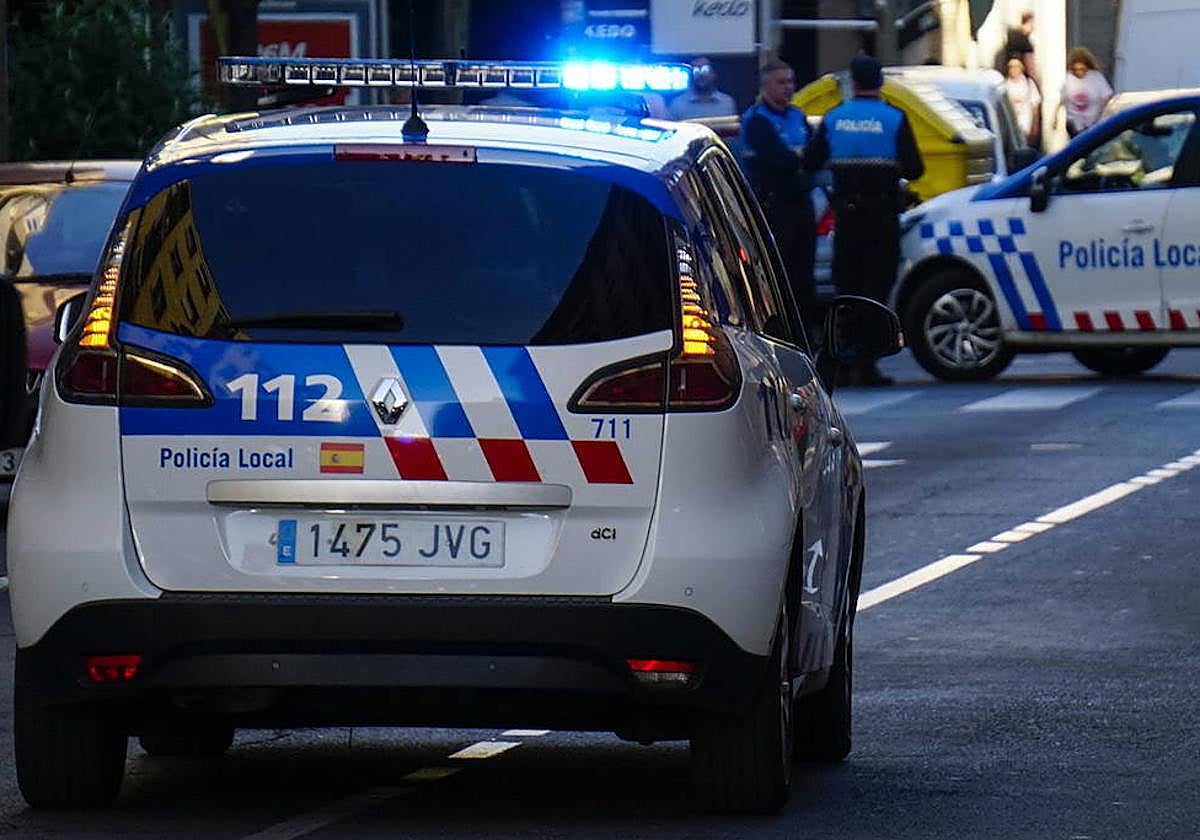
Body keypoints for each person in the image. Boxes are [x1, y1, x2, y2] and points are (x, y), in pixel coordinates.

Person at [804, 54, 924, 386]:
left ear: (853, 83)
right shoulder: (894, 118)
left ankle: (845, 361)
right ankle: (869, 364)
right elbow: (915, 168)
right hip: (882, 215)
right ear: (880, 82)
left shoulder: (834, 118)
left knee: (848, 288)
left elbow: (811, 160)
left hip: (847, 215)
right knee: (876, 289)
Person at [738, 58, 819, 337]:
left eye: (791, 82)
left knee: (804, 275)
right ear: (765, 86)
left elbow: (813, 158)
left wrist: (797, 160)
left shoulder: (798, 116)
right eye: (781, 82)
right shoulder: (757, 120)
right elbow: (780, 161)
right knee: (779, 274)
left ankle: (806, 333)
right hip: (774, 207)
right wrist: (798, 159)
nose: (788, 88)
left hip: (801, 205)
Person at [1060, 47, 1113, 138]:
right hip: (1074, 123)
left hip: (1094, 121)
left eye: (1082, 69)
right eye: (1075, 70)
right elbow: (1061, 99)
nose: (1079, 72)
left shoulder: (1096, 77)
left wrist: (1101, 116)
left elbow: (1106, 97)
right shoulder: (1068, 78)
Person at [668, 57, 736, 120]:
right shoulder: (677, 104)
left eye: (705, 70)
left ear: (713, 74)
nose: (701, 75)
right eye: (696, 71)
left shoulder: (727, 103)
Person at [1004, 54, 1041, 148]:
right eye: (1011, 67)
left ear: (1022, 68)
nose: (1014, 69)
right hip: (1009, 126)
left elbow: (1035, 105)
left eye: (1017, 66)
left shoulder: (1028, 84)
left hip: (1025, 125)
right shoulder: (1004, 85)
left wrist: (1035, 126)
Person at [997, 10, 1039, 87]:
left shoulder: (1011, 37)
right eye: (1032, 24)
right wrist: (1036, 83)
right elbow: (1030, 66)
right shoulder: (1025, 42)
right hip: (1021, 81)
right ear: (1028, 22)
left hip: (1007, 78)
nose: (1034, 27)